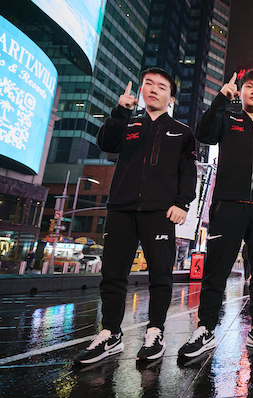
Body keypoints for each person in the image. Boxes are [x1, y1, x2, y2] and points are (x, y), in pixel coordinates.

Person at [74, 67, 197, 364]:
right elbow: (105, 144)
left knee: (160, 275)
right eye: (148, 84)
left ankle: (155, 332)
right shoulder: (128, 123)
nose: (153, 89)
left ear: (171, 98)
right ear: (141, 90)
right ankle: (110, 333)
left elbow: (188, 172)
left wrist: (182, 203)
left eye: (161, 87)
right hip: (121, 208)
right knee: (113, 274)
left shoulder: (182, 132)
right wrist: (120, 111)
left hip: (160, 212)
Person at [178, 70, 253, 358]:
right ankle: (205, 328)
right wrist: (221, 99)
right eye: (248, 86)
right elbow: (202, 134)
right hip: (228, 207)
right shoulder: (227, 119)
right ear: (240, 92)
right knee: (216, 272)